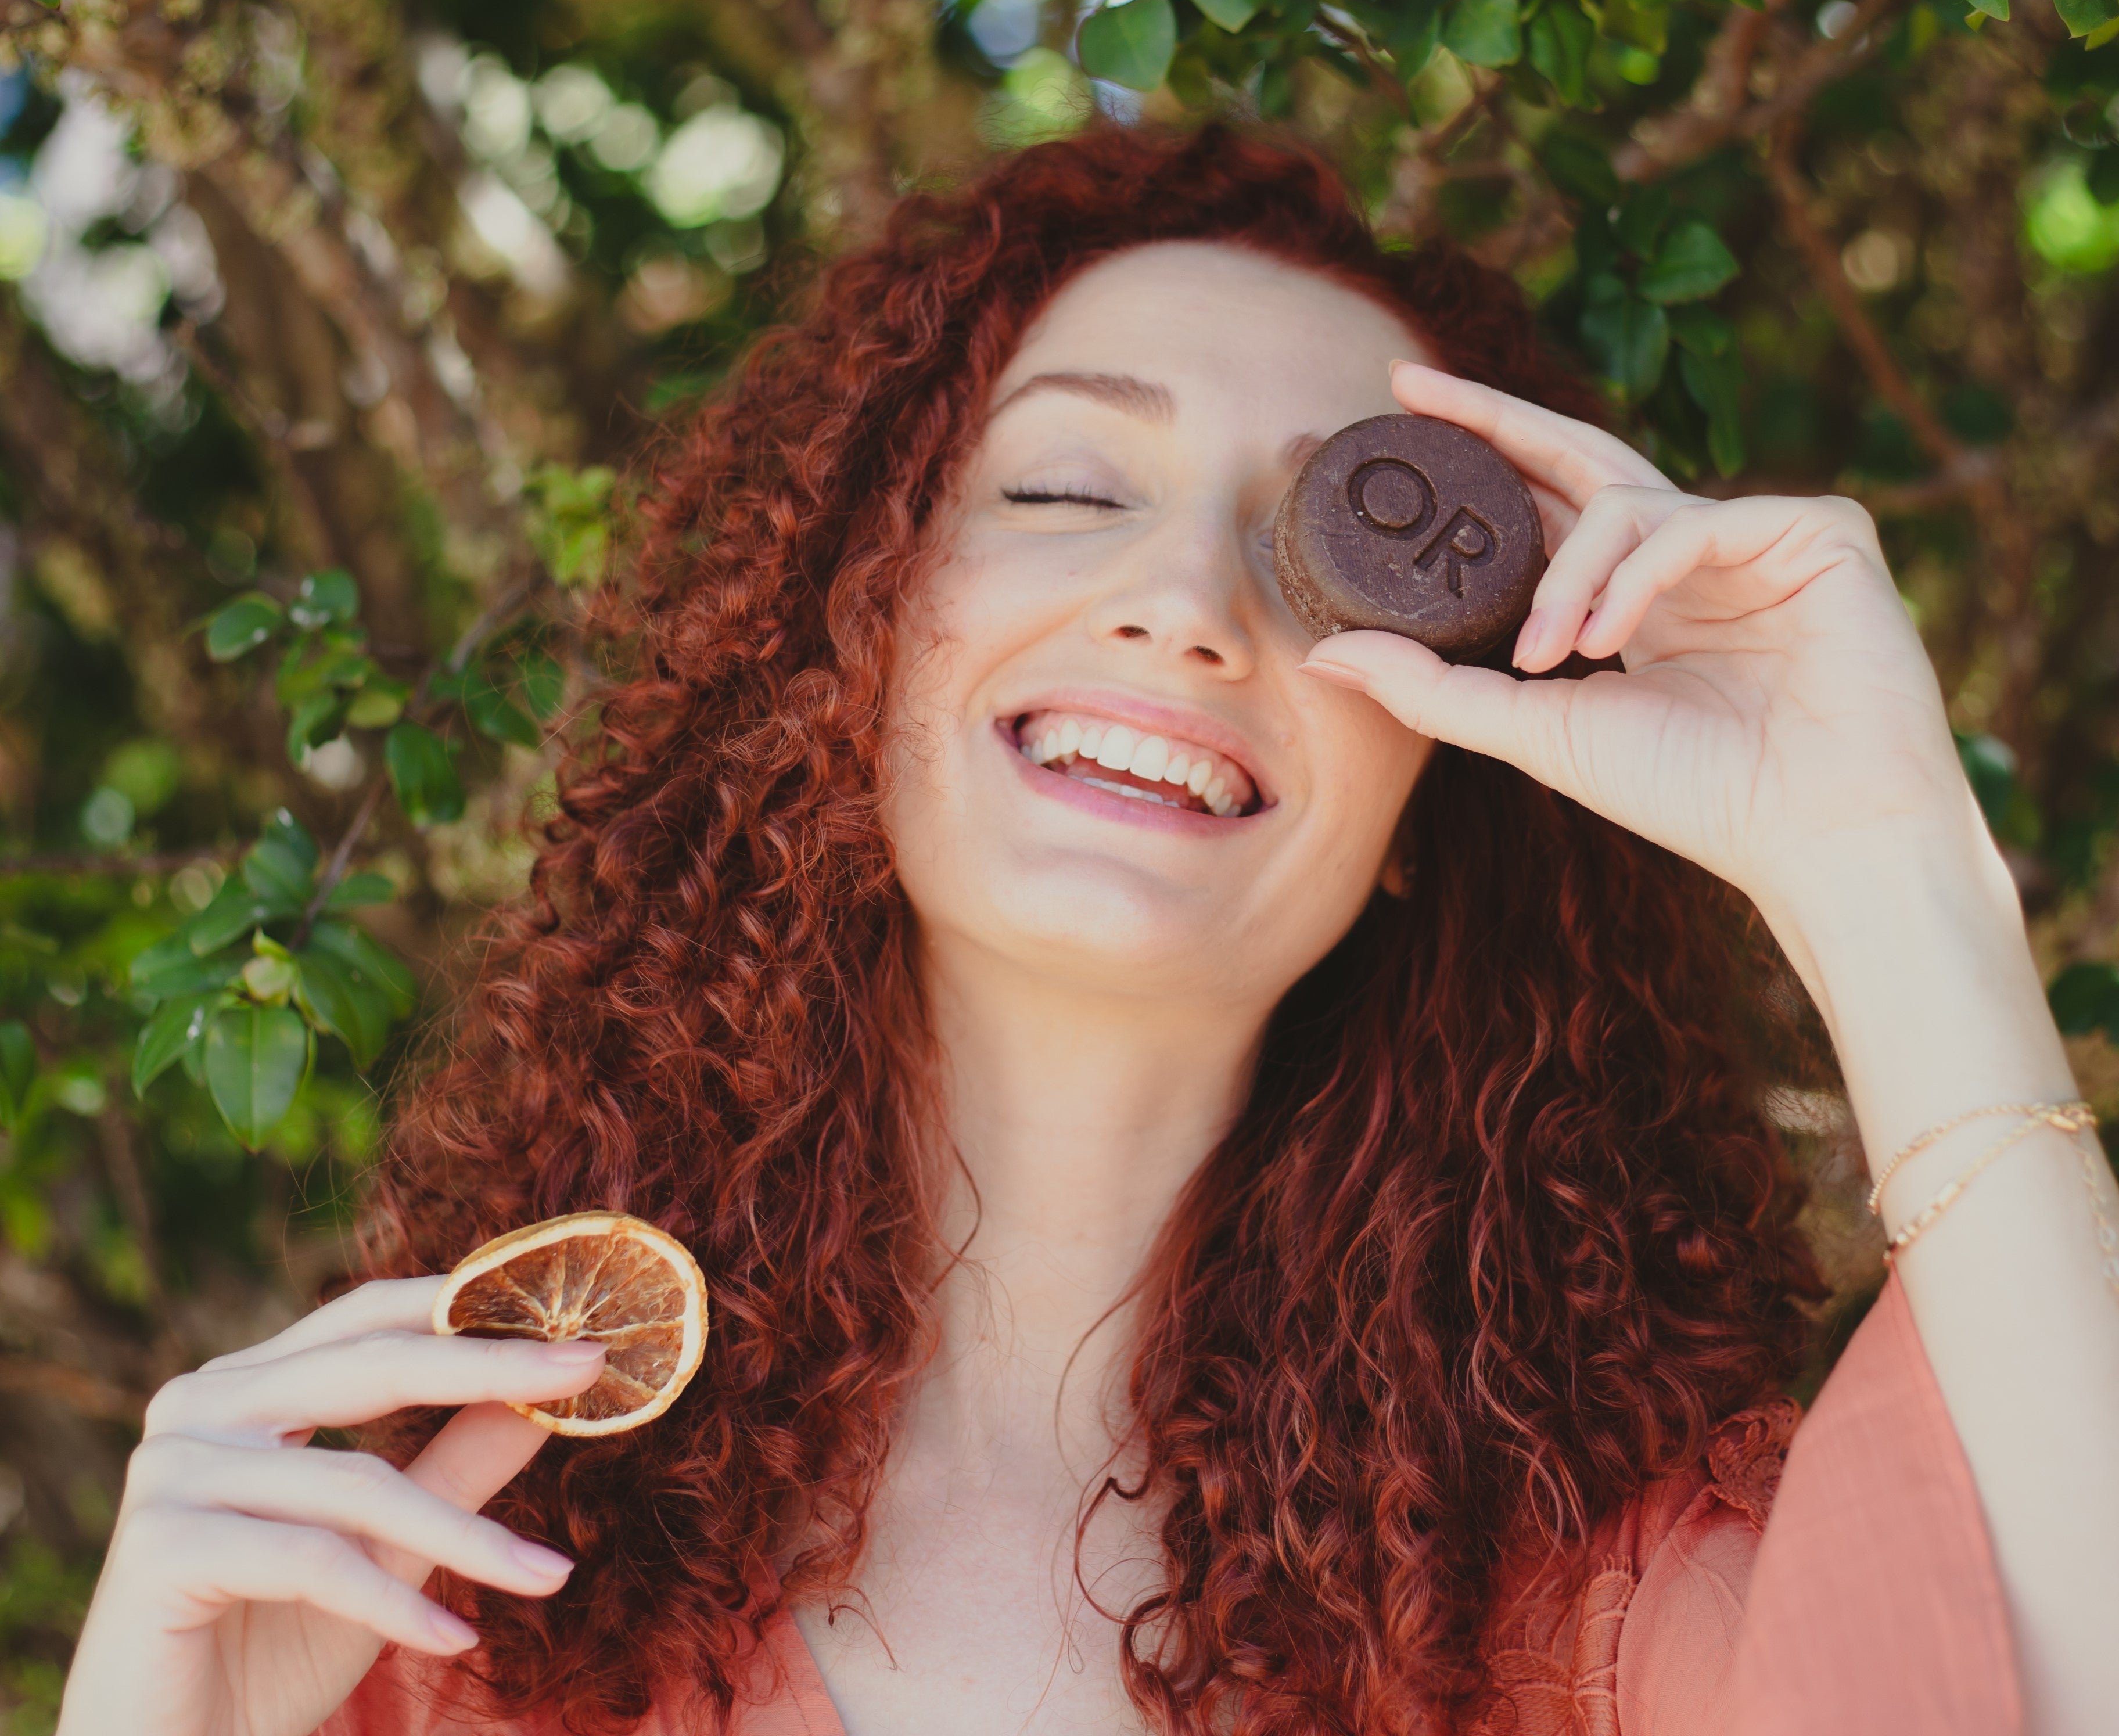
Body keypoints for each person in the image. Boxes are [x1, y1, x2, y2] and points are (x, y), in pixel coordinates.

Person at [58, 125, 2119, 1736]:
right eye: (1065, 489)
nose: (1188, 606)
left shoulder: (1591, 1615)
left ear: (1434, 799)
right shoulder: (446, 1574)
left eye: (1323, 553)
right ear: (854, 641)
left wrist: (1883, 859)